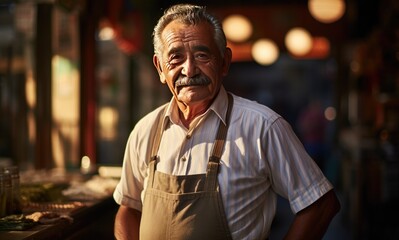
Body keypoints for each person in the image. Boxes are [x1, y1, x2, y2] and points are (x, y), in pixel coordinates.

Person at [113, 3, 340, 240]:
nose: (189, 70)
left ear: (224, 63)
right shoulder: (145, 130)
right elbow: (128, 208)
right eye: (176, 57)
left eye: (202, 55)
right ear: (160, 68)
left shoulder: (262, 127)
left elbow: (321, 204)